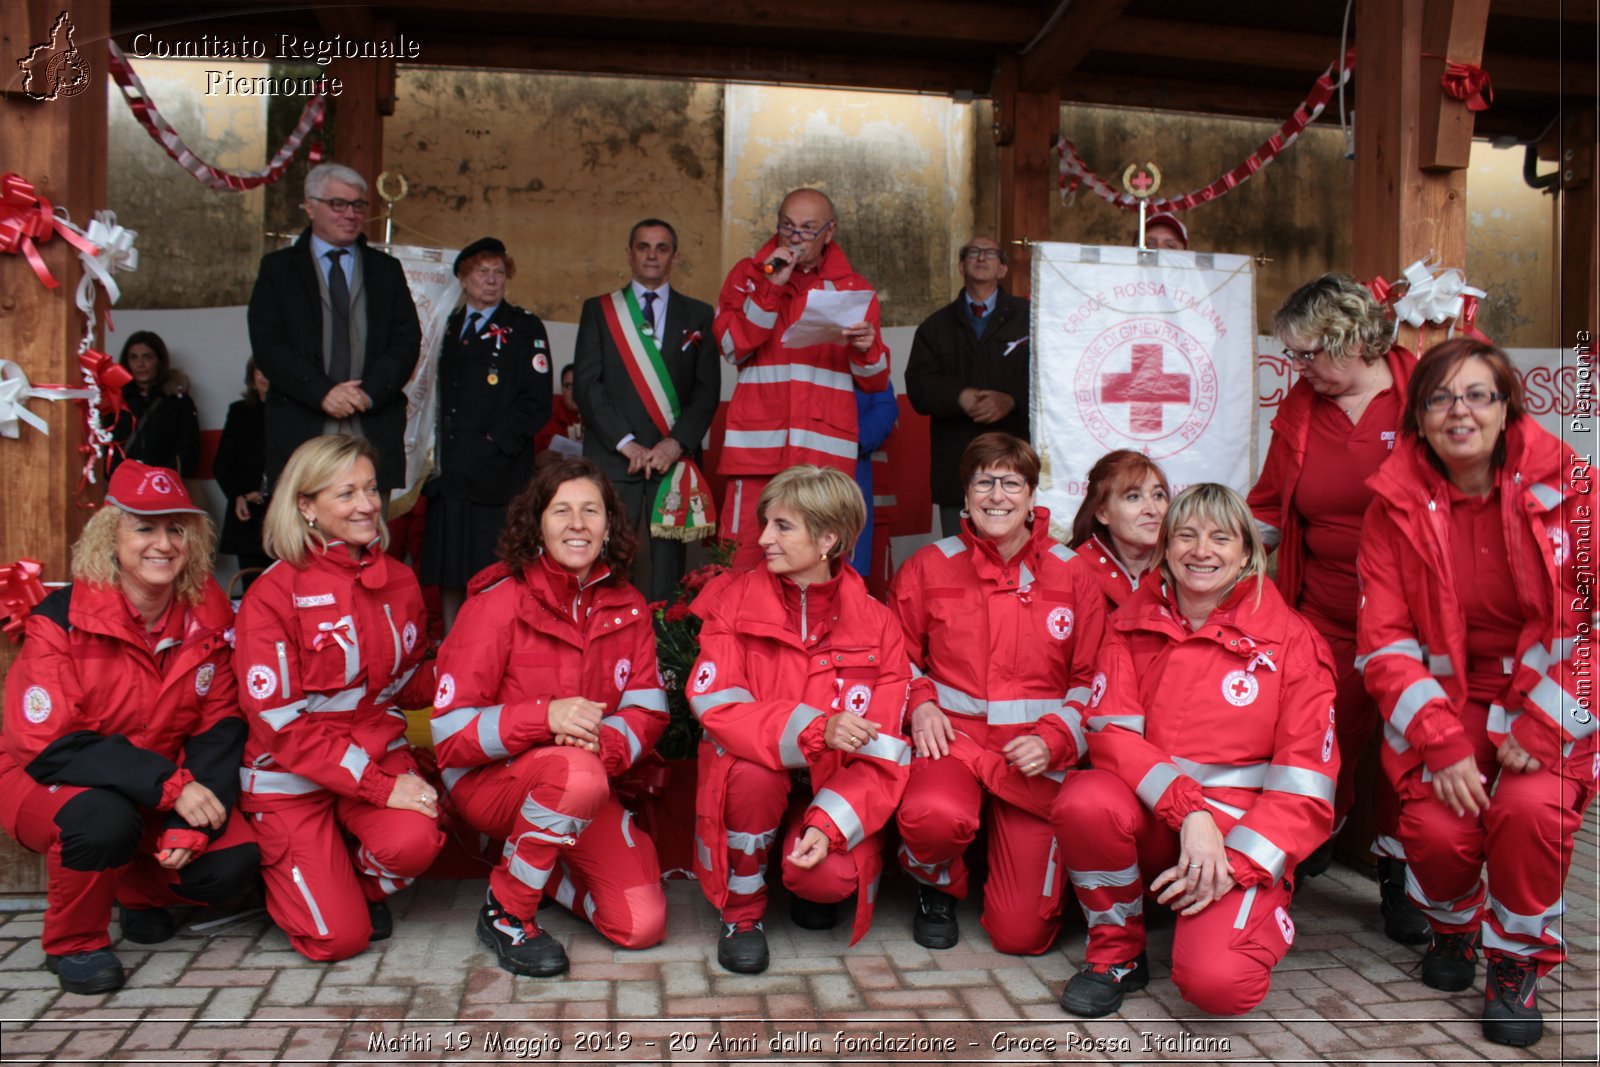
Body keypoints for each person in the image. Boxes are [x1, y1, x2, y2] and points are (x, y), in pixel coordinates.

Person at [1357, 339, 1594, 1048]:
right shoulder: (1391, 505)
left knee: (1529, 813)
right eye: (1439, 397)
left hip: (1547, 700)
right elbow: (1385, 641)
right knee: (1434, 829)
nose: (1458, 410)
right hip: (1446, 700)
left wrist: (1546, 725)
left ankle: (1517, 961)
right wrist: (1440, 738)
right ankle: (1456, 930)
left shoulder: (1576, 489)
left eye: (1477, 394)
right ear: (1419, 419)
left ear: (1505, 405)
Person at [1052, 484, 1337, 1018]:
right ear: (1165, 549)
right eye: (1185, 535)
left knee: (1218, 987)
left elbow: (1306, 787)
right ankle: (1117, 953)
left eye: (1219, 538)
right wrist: (1191, 812)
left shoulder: (1294, 643)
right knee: (1085, 798)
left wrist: (1238, 865)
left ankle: (1244, 909)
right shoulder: (1129, 625)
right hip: (1165, 817)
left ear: (1248, 554)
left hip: (1241, 838)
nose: (1200, 551)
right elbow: (1111, 735)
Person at [0, 462, 258, 994]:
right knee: (101, 818)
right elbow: (46, 744)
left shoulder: (208, 609)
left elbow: (220, 719)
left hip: (156, 777)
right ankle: (75, 944)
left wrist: (193, 812)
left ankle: (139, 894)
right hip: (43, 778)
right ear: (109, 536)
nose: (162, 543)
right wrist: (173, 787)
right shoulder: (60, 619)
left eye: (176, 528)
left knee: (230, 861)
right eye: (144, 527)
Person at [430, 457, 670, 977]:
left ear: (610, 525)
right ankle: (507, 910)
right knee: (575, 774)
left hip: (586, 779)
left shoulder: (627, 605)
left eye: (591, 510)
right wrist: (547, 718)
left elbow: (649, 708)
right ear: (536, 523)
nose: (577, 524)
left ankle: (542, 865)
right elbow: (448, 734)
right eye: (561, 510)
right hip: (489, 781)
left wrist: (600, 745)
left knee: (640, 924)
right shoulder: (497, 602)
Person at [1246, 272, 1423, 938]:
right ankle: (1317, 828)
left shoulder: (1422, 394)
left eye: (1309, 352)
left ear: (1354, 339)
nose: (1299, 367)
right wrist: (1210, 550)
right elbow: (1268, 502)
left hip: (1414, 619)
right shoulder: (1301, 405)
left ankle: (1401, 876)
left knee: (1411, 751)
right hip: (1322, 612)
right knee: (1318, 734)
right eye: (1292, 354)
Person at [689, 466, 910, 974]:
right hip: (755, 777)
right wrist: (815, 729)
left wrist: (830, 824)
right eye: (766, 523)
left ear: (828, 538)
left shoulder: (878, 623)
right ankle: (743, 911)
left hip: (832, 786)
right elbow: (718, 705)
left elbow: (884, 749)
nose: (764, 539)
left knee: (824, 885)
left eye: (782, 526)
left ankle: (802, 854)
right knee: (753, 772)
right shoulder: (733, 602)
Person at [889, 434, 1104, 955]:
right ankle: (935, 883)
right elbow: (893, 655)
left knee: (1021, 936)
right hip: (954, 746)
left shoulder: (1073, 572)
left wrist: (1057, 739)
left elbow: (1095, 677)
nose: (997, 495)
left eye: (1012, 483)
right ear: (965, 496)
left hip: (1033, 757)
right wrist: (920, 702)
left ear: (1033, 498)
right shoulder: (927, 566)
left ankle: (1003, 868)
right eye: (984, 482)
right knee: (934, 816)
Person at [233, 435, 443, 962]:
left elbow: (404, 682)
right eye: (346, 493)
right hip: (292, 774)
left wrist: (476, 669)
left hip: (370, 754)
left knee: (414, 840)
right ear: (306, 506)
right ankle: (294, 877)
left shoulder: (399, 578)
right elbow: (281, 727)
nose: (368, 504)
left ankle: (349, 881)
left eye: (371, 489)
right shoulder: (273, 593)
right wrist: (378, 787)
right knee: (339, 941)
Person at [713, 189, 890, 569]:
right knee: (744, 563)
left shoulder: (854, 289)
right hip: (759, 452)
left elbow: (875, 381)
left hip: (823, 461)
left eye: (808, 229)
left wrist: (866, 348)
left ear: (830, 232)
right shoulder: (748, 276)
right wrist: (770, 287)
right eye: (788, 227)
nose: (796, 238)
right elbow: (732, 348)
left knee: (822, 566)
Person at [247, 162, 422, 495]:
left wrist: (368, 392)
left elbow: (407, 339)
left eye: (358, 205)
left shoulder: (386, 270)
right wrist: (322, 391)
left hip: (370, 427)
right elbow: (268, 344)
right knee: (302, 541)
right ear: (310, 207)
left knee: (368, 535)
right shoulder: (279, 270)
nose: (350, 214)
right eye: (338, 204)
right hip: (303, 428)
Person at [573, 219, 719, 601]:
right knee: (606, 555)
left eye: (661, 247)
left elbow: (707, 392)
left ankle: (664, 651)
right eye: (643, 246)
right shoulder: (600, 311)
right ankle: (605, 644)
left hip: (672, 460)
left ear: (675, 256)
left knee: (668, 569)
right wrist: (627, 443)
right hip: (614, 455)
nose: (652, 255)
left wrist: (676, 444)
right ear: (629, 253)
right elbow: (589, 386)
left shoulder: (699, 315)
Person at [421, 237, 550, 633]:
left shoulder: (524, 326)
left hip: (498, 476)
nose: (491, 280)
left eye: (499, 272)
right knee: (451, 568)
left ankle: (492, 644)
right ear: (463, 278)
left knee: (493, 569)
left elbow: (536, 403)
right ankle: (450, 645)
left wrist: (493, 444)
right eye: (482, 272)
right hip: (449, 474)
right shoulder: (445, 326)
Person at [905, 237, 1030, 537]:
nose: (981, 258)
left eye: (990, 253)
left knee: (1015, 554)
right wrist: (959, 397)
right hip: (957, 467)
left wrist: (1011, 401)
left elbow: (1050, 380)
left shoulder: (1029, 318)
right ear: (961, 266)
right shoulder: (935, 326)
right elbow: (919, 386)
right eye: (973, 252)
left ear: (1002, 269)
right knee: (959, 559)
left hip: (1015, 460)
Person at [1066, 450, 1171, 612]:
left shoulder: (1184, 569)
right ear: (1103, 513)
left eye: (1158, 495)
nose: (1153, 509)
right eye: (1133, 497)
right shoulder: (1071, 574)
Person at [108, 331, 200, 477]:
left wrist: (162, 475)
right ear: (127, 363)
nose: (140, 364)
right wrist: (117, 474)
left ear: (159, 360)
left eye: (147, 357)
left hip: (165, 484)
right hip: (123, 485)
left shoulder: (178, 401)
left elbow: (189, 450)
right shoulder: (115, 400)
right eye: (134, 357)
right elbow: (106, 446)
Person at [213, 357, 272, 578]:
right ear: (251, 377)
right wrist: (237, 496)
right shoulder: (239, 411)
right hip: (247, 513)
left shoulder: (294, 416)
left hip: (282, 512)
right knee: (251, 587)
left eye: (270, 370)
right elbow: (221, 463)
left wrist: (269, 491)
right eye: (259, 371)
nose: (265, 376)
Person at [849, 381, 898, 580]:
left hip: (859, 486)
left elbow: (885, 408)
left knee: (856, 581)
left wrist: (847, 439)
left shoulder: (865, 358)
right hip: (798, 478)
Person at [534, 364, 585, 454]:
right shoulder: (547, 410)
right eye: (569, 386)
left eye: (579, 385)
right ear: (562, 389)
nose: (574, 392)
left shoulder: (600, 414)